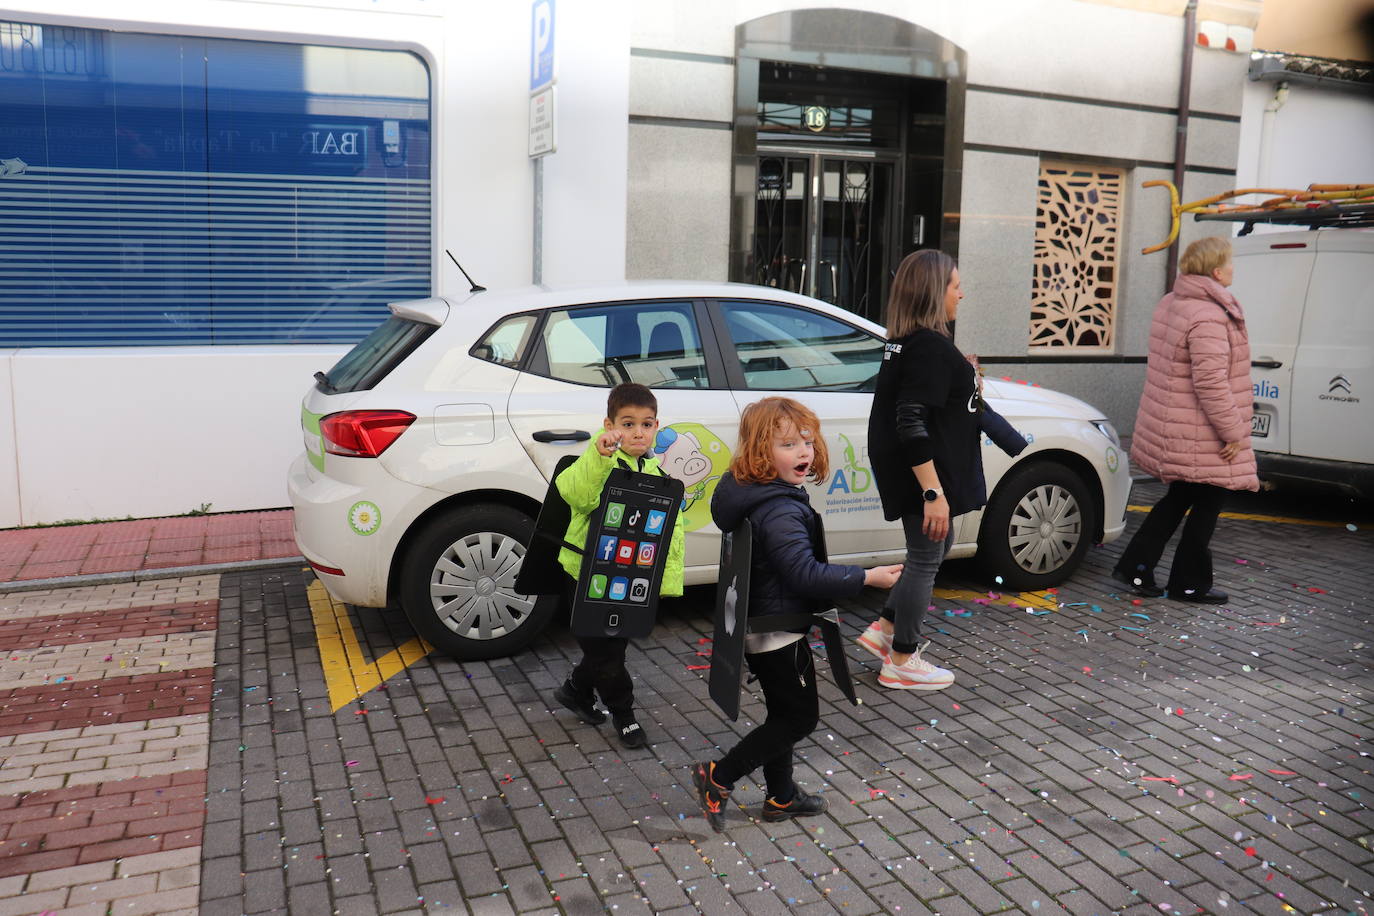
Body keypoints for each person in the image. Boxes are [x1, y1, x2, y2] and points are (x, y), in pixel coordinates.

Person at [692, 398, 901, 831]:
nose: (803, 451)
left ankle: (781, 797)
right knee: (800, 718)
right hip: (778, 632)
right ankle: (719, 777)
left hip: (759, 626)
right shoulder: (780, 507)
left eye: (807, 440)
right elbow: (804, 574)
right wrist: (867, 577)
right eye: (788, 444)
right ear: (759, 453)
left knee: (781, 714)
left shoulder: (754, 493)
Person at [861, 249, 1023, 690]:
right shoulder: (928, 347)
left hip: (915, 467)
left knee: (933, 547)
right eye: (956, 286)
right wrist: (932, 493)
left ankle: (886, 632)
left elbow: (934, 404)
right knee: (926, 556)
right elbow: (910, 420)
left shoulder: (912, 342)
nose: (962, 294)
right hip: (921, 473)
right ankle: (901, 660)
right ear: (936, 291)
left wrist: (965, 376)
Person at [1112, 236, 1258, 603]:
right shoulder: (1208, 314)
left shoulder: (1173, 302)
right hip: (1203, 432)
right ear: (1215, 270)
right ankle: (1189, 583)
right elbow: (1210, 382)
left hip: (1180, 426)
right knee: (1206, 505)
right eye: (1230, 262)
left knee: (1178, 497)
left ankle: (1136, 567)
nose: (1234, 268)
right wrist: (1234, 432)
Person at [551, 382, 686, 748]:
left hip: (628, 575)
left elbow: (668, 537)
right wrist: (598, 456)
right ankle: (624, 715)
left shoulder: (657, 474)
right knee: (606, 651)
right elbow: (575, 494)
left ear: (657, 426)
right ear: (609, 425)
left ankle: (576, 690)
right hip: (587, 573)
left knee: (611, 646)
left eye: (646, 424)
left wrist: (666, 581)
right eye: (627, 424)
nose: (637, 432)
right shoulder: (598, 461)